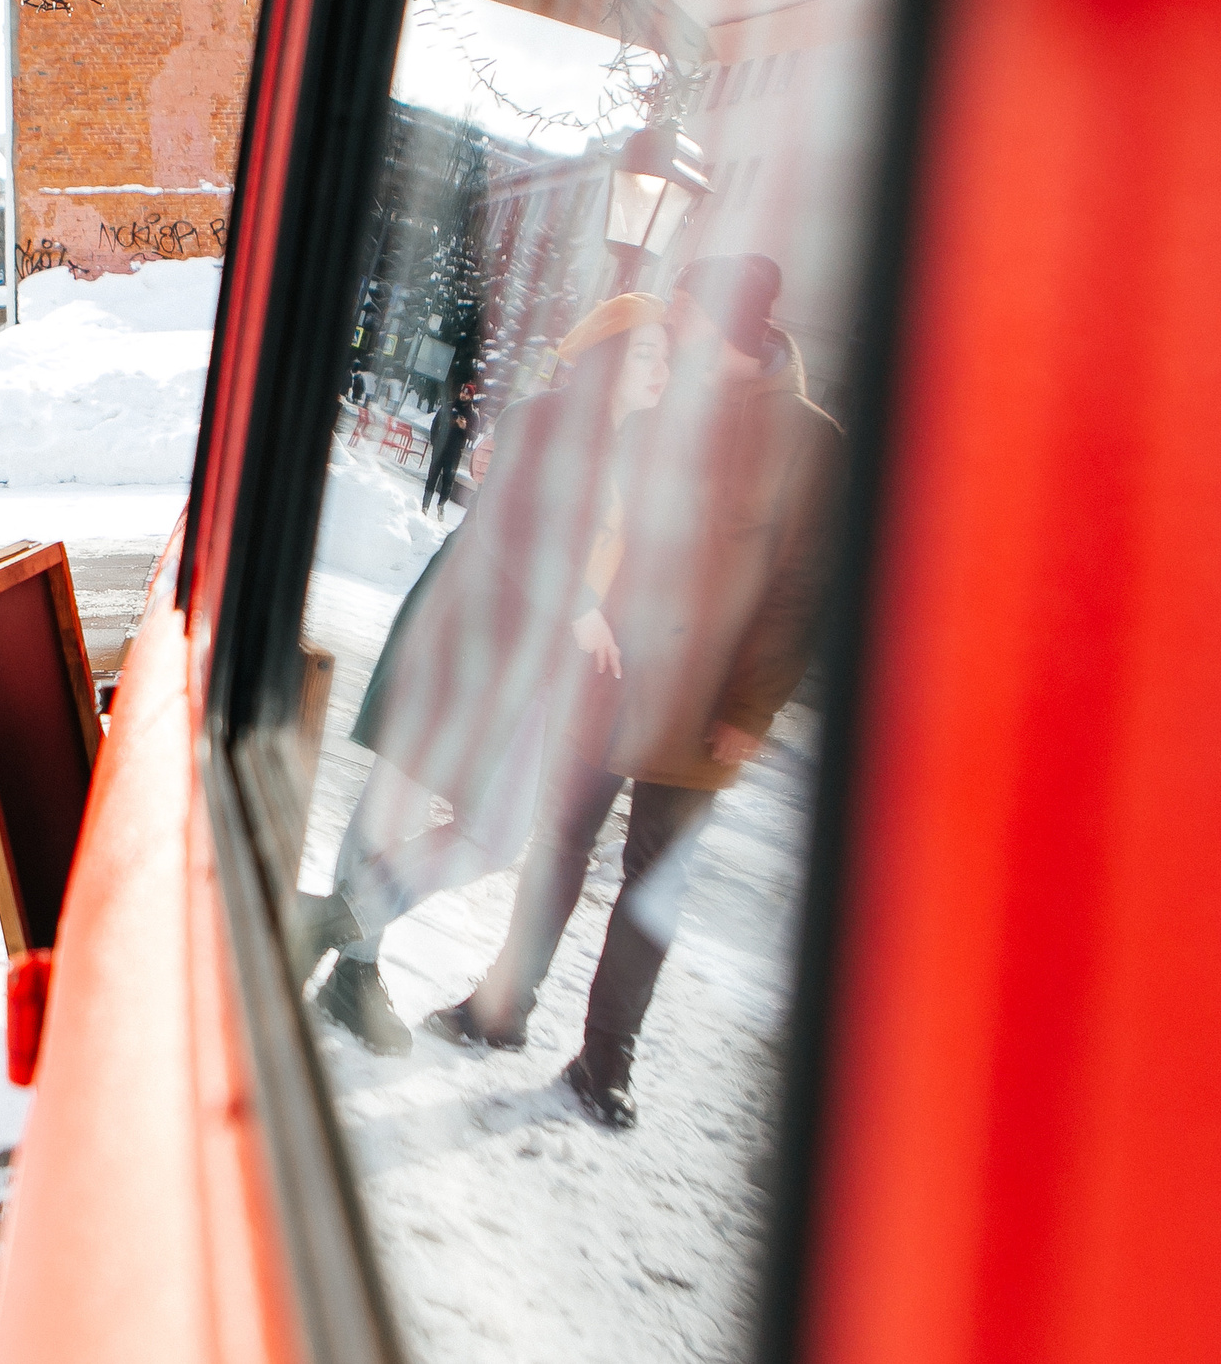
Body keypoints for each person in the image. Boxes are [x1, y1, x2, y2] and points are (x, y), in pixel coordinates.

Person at [427, 254, 843, 1131]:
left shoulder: (811, 440)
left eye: (686, 312)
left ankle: (605, 1064)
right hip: (609, 675)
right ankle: (502, 1008)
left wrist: (751, 711)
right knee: (558, 846)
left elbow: (804, 588)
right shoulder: (663, 404)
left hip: (706, 712)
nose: (672, 326)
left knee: (653, 885)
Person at [297, 294, 672, 1051]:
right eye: (645, 352)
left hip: (531, 667)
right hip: (466, 635)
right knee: (392, 803)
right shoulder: (547, 417)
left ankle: (329, 922)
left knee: (495, 835)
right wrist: (579, 608)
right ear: (606, 357)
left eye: (666, 356)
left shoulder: (626, 443)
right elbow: (506, 517)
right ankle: (352, 974)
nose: (661, 368)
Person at [423, 380, 476, 514]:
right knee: (432, 477)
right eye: (462, 392)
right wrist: (434, 441)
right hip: (440, 448)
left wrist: (464, 427)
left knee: (448, 480)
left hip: (454, 452)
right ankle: (425, 505)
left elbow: (473, 435)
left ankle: (441, 505)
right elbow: (436, 423)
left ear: (471, 397)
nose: (463, 396)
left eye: (467, 394)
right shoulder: (448, 406)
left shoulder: (472, 414)